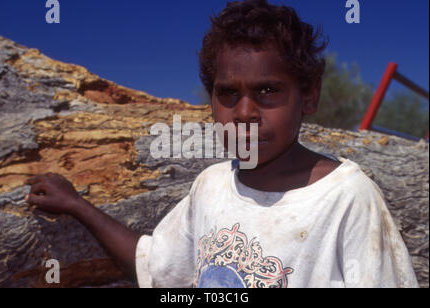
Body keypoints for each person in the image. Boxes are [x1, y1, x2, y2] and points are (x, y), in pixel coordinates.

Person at [25, 0, 419, 288]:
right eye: (228, 93)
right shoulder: (211, 186)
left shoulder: (347, 198)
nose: (244, 112)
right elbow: (155, 265)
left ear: (309, 96)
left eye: (267, 90)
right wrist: (77, 206)